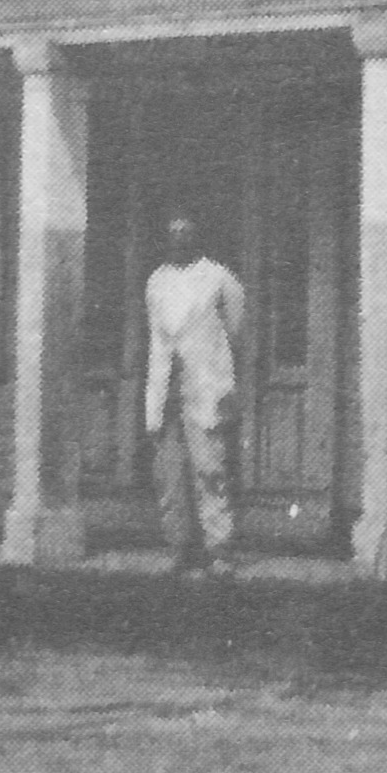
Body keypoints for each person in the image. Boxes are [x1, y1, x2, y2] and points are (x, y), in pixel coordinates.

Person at [142, 215, 246, 575]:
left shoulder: (219, 279)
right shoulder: (157, 281)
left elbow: (235, 334)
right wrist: (156, 393)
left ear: (199, 237)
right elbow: (157, 339)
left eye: (187, 233)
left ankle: (219, 548)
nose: (180, 240)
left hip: (205, 385)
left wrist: (219, 379)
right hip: (167, 386)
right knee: (169, 476)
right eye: (173, 234)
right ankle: (179, 546)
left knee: (210, 471)